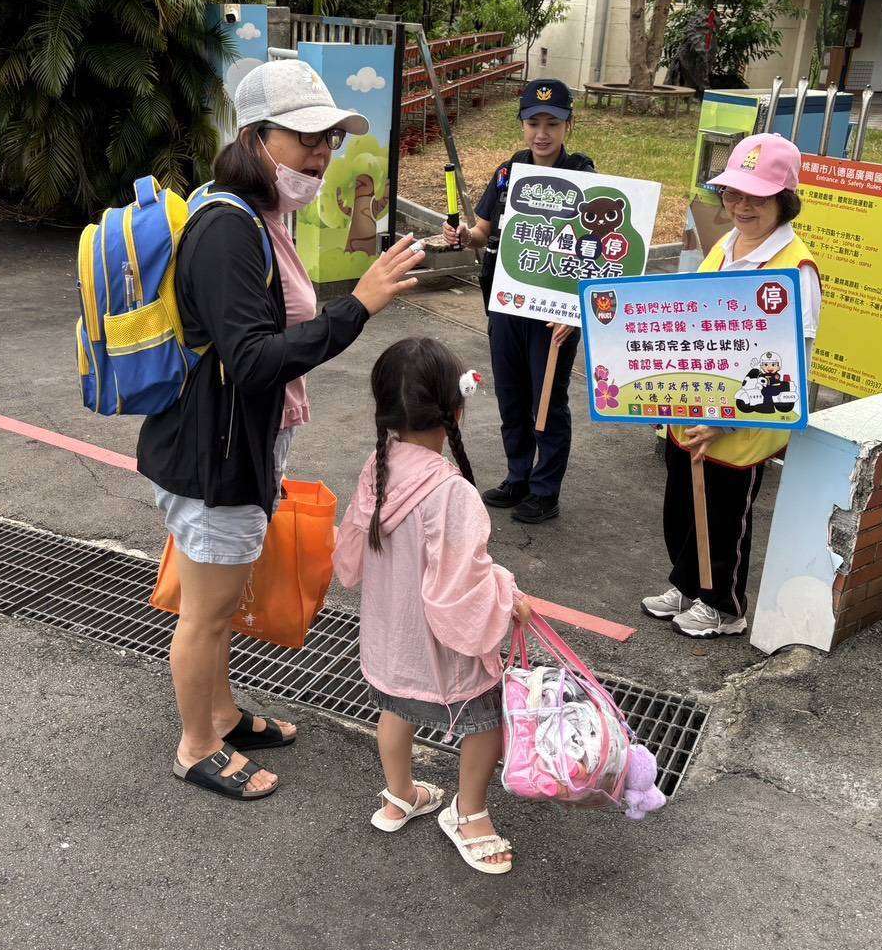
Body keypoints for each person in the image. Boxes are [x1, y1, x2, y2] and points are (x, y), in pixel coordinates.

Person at [138, 60, 426, 801]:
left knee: (226, 598)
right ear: (256, 137)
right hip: (215, 450)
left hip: (236, 442)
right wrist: (355, 308)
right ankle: (196, 744)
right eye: (305, 139)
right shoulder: (228, 229)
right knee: (204, 613)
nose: (321, 155)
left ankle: (224, 714)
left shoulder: (258, 216)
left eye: (328, 138)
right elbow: (254, 360)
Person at [333, 336, 533, 875]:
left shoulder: (376, 468)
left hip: (390, 641)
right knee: (482, 722)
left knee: (395, 708)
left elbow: (349, 558)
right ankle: (468, 813)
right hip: (442, 652)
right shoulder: (451, 492)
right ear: (457, 409)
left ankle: (401, 794)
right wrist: (508, 594)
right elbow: (460, 589)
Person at [641, 134, 822, 639]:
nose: (741, 206)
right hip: (690, 406)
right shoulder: (724, 245)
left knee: (724, 515)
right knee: (680, 503)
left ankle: (723, 605)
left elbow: (788, 367)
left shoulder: (796, 269)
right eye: (734, 193)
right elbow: (691, 316)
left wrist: (721, 418)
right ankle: (686, 582)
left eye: (756, 197)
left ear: (784, 200)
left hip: (740, 424)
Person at [444, 79, 595, 524]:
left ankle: (545, 489)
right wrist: (461, 237)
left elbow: (601, 250)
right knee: (511, 395)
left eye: (553, 122)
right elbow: (481, 233)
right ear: (523, 124)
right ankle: (517, 477)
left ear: (569, 124)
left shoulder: (585, 175)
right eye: (533, 123)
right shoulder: (509, 172)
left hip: (555, 317)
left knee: (547, 400)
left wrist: (577, 313)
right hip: (506, 303)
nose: (542, 133)